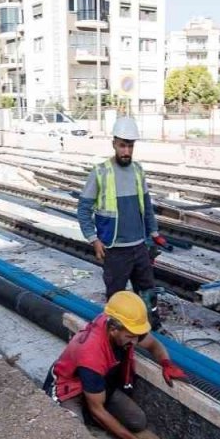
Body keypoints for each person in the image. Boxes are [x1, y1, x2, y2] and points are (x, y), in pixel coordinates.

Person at [42, 292, 186, 439]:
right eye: (130, 337)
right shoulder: (92, 354)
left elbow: (154, 344)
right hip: (69, 390)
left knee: (137, 421)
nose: (135, 342)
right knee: (75, 435)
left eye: (137, 336)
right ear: (113, 330)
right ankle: (84, 417)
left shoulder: (126, 328)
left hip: (98, 387)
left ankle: (94, 416)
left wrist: (166, 363)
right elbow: (97, 410)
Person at [76, 116, 169, 329]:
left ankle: (152, 328)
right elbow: (83, 210)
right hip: (114, 250)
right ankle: (117, 335)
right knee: (117, 297)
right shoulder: (100, 172)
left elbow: (146, 205)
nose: (126, 151)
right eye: (122, 146)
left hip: (139, 246)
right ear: (114, 144)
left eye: (130, 146)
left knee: (147, 292)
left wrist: (154, 232)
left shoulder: (137, 170)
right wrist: (93, 239)